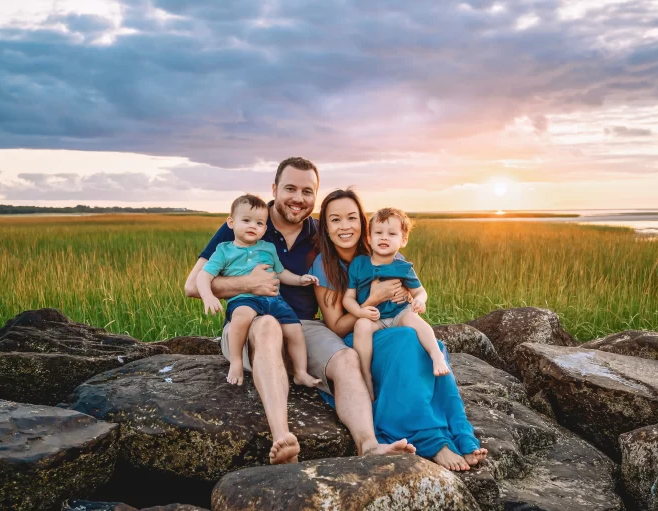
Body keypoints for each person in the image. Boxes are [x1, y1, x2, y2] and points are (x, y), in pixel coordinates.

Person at [184, 157, 416, 465]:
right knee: (267, 325)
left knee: (346, 358)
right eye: (290, 188)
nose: (298, 198)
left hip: (304, 326)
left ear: (315, 195)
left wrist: (402, 287)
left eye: (307, 191)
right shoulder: (248, 219)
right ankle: (283, 439)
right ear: (274, 189)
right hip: (251, 320)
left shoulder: (322, 231)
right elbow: (191, 286)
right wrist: (247, 283)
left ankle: (369, 444)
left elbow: (374, 251)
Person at [310, 188, 488, 471]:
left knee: (432, 349)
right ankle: (431, 440)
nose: (345, 226)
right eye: (335, 220)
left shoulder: (383, 249)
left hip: (393, 324)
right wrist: (373, 298)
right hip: (359, 333)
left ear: (363, 224)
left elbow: (411, 291)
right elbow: (335, 325)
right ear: (326, 227)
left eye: (352, 218)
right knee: (408, 342)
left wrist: (409, 298)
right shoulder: (324, 265)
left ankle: (461, 434)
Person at [196, 193, 321, 388]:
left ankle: (300, 372)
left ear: (265, 228)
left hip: (274, 300)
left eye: (260, 223)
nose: (253, 226)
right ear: (231, 223)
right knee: (241, 316)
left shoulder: (268, 248)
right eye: (246, 220)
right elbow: (203, 276)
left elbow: (281, 272)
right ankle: (236, 362)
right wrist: (208, 296)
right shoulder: (224, 250)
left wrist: (300, 279)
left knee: (295, 329)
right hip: (244, 299)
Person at [342, 207, 449, 401]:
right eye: (378, 233)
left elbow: (420, 291)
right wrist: (360, 311)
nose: (384, 238)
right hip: (375, 318)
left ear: (403, 240)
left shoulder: (403, 267)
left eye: (392, 234)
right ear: (368, 238)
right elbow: (348, 297)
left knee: (413, 319)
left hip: (398, 315)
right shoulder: (359, 264)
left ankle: (436, 355)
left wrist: (419, 300)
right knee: (361, 325)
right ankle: (365, 375)